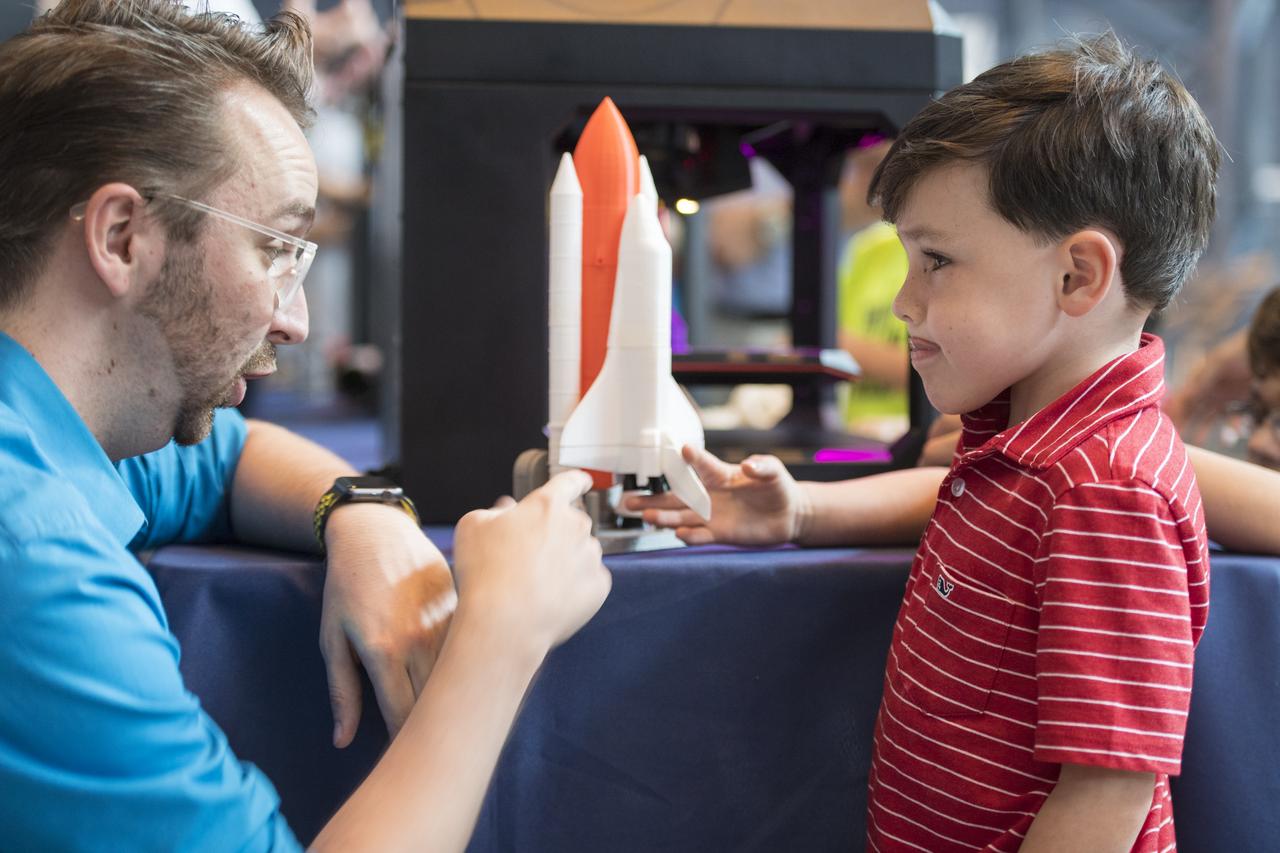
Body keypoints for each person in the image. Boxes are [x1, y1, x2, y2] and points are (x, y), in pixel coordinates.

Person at [0, 2, 609, 850]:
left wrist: (360, 508)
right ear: (122, 235)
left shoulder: (45, 429)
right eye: (275, 248)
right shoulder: (34, 558)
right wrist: (501, 635)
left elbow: (225, 459)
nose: (294, 318)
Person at [635, 33, 1219, 850]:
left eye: (937, 261)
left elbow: (1105, 794)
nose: (905, 303)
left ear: (1078, 276)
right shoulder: (1027, 447)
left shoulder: (1105, 491)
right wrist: (798, 509)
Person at [835, 137, 910, 439]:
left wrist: (844, 349)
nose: (870, 182)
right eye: (860, 167)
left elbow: (958, 368)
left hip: (915, 431)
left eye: (877, 166)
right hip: (856, 433)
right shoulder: (866, 248)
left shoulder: (949, 249)